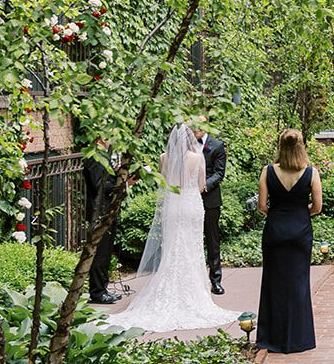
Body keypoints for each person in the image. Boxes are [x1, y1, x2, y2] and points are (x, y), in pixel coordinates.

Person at [111, 124, 235, 332]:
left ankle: (169, 287)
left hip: (173, 205)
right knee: (192, 247)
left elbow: (164, 181)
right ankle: (193, 291)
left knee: (172, 246)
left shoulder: (163, 157)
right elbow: (201, 184)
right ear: (189, 139)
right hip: (191, 204)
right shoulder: (197, 158)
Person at [254, 128, 321, 353]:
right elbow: (317, 207)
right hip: (300, 231)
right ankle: (299, 338)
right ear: (301, 146)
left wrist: (279, 214)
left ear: (280, 146)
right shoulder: (311, 173)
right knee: (299, 283)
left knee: (273, 283)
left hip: (275, 231)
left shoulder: (267, 171)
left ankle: (272, 338)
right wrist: (301, 214)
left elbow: (262, 206)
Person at [83, 140, 122, 303]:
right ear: (100, 139)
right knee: (100, 252)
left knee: (106, 251)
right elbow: (99, 185)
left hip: (108, 210)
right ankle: (97, 291)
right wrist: (119, 183)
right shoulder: (94, 157)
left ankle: (103, 288)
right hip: (99, 212)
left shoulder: (103, 155)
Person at [193, 119, 228, 294]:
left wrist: (203, 186)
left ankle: (216, 280)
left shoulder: (217, 145)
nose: (195, 130)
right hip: (189, 199)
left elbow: (219, 173)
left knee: (212, 239)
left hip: (210, 199)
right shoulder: (187, 145)